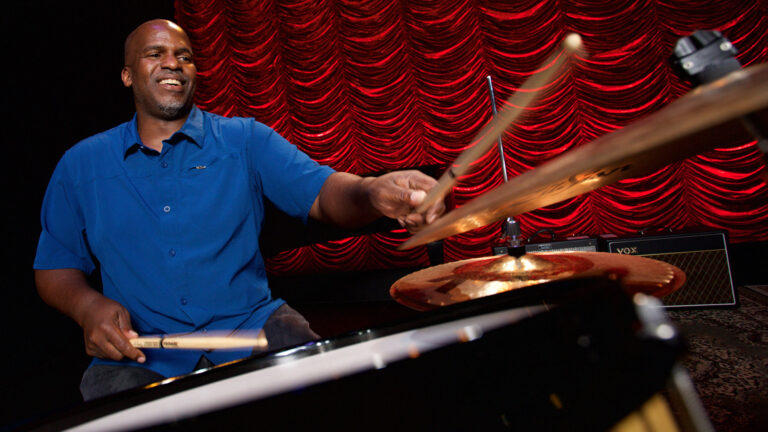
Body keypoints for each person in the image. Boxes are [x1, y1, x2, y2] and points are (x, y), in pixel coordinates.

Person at [33, 19, 445, 401]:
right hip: (140, 354)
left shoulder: (244, 139)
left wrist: (371, 192)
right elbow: (54, 270)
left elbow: (322, 194)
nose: (172, 62)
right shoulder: (80, 165)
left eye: (184, 55)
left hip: (255, 328)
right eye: (155, 54)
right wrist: (88, 308)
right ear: (127, 75)